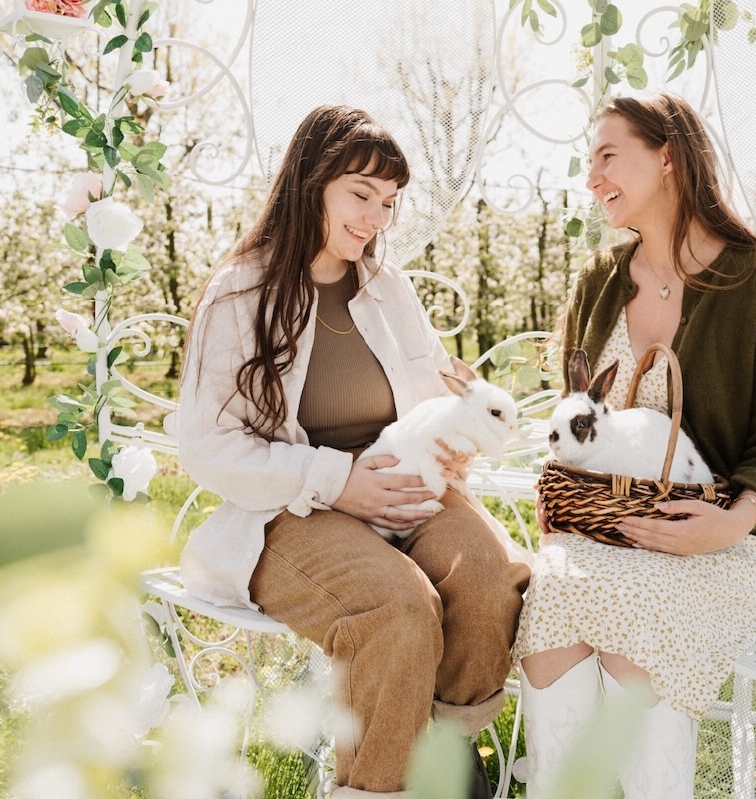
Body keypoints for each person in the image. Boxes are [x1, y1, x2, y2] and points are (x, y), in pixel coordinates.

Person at [176, 105, 530, 799]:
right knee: (398, 608)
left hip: (408, 490)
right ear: (312, 182)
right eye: (360, 194)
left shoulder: (388, 290)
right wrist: (337, 481)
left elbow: (429, 394)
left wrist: (454, 446)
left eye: (390, 202)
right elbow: (207, 444)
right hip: (289, 509)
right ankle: (385, 785)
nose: (376, 217)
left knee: (492, 579)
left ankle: (441, 758)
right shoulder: (240, 292)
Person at [513, 92, 756, 798]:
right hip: (603, 534)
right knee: (549, 600)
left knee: (632, 621)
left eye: (608, 156)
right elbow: (578, 417)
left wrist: (729, 522)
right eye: (589, 162)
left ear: (668, 156)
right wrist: (559, 490)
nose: (593, 177)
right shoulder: (599, 281)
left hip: (724, 542)